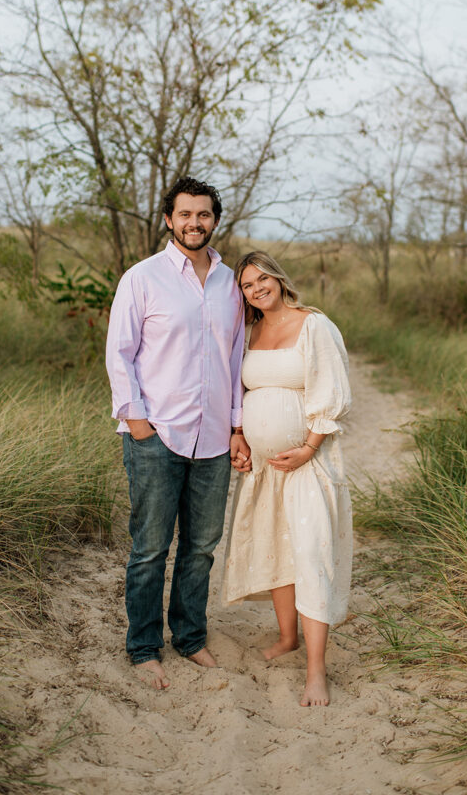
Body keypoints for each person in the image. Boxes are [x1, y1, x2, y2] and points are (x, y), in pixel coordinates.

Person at [105, 177, 248, 691]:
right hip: (156, 435)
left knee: (202, 546)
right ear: (168, 219)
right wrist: (137, 420)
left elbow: (236, 360)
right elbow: (120, 353)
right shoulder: (142, 278)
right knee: (149, 547)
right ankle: (144, 646)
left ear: (215, 220)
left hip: (212, 437)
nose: (195, 223)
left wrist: (236, 425)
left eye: (204, 214)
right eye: (185, 214)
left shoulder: (232, 283)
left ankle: (189, 637)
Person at [223, 251, 353, 707]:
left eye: (263, 279)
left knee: (310, 553)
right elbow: (239, 392)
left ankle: (316, 671)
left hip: (308, 463)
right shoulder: (250, 332)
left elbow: (333, 392)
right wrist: (240, 436)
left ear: (278, 279)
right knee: (277, 546)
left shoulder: (314, 324)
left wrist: (309, 447)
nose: (256, 288)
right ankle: (287, 637)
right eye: (246, 284)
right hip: (265, 469)